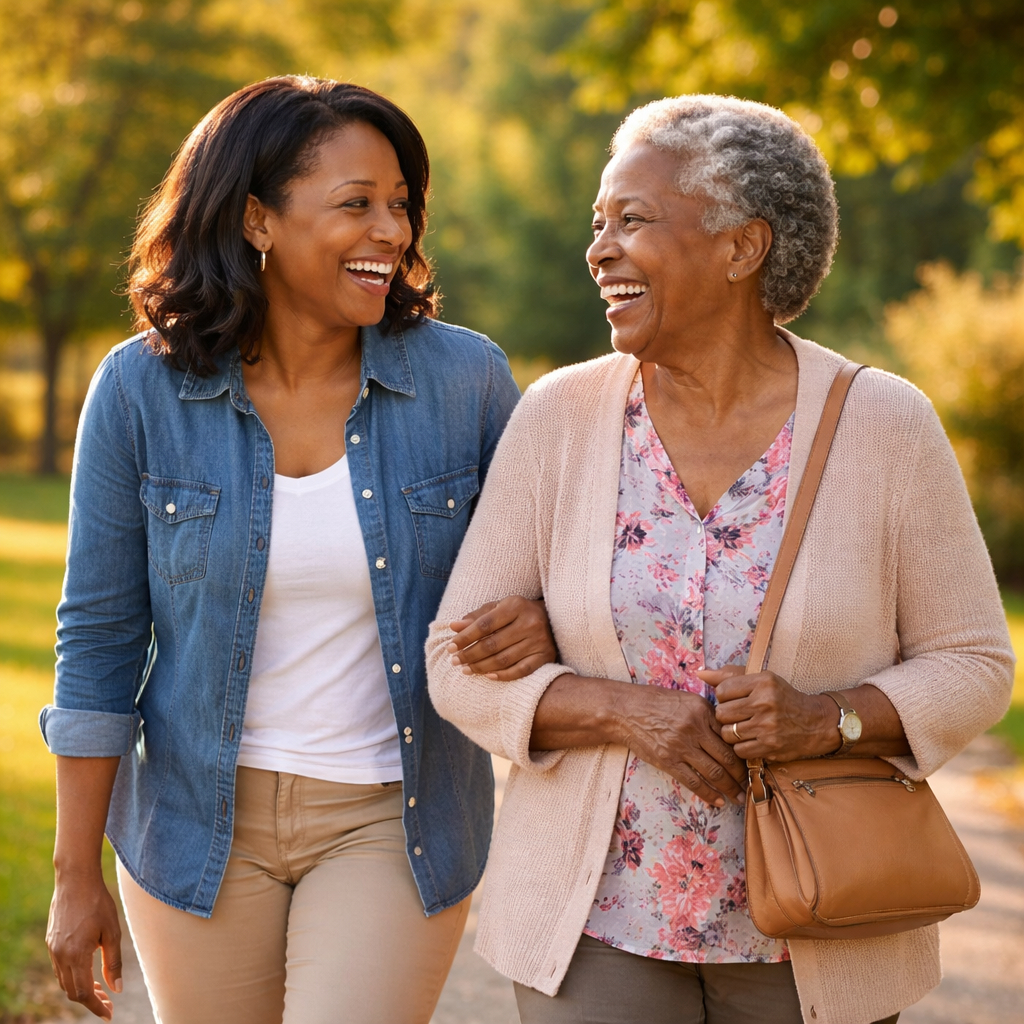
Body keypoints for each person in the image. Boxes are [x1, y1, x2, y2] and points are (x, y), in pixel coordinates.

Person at [427, 94, 1015, 1024]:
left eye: (634, 220)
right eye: (598, 223)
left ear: (743, 248)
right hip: (598, 925)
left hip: (823, 918)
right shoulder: (562, 418)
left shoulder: (884, 423)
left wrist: (829, 720)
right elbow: (453, 666)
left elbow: (977, 663)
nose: (599, 250)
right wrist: (627, 711)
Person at [40, 76, 556, 1024]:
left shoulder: (466, 381)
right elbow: (99, 642)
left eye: (401, 206)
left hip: (390, 819)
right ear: (257, 220)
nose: (392, 233)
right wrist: (76, 880)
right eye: (355, 205)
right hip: (196, 823)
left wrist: (534, 614)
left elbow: (548, 574)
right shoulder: (140, 391)